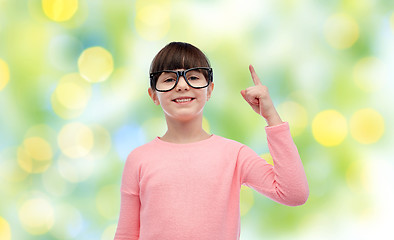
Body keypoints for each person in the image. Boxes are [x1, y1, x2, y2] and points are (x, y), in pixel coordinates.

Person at [114, 42, 309, 240]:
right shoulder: (138, 159)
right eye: (169, 79)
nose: (182, 85)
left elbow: (294, 194)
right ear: (153, 94)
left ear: (209, 90)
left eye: (193, 77)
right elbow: (127, 234)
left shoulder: (234, 154)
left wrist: (271, 117)